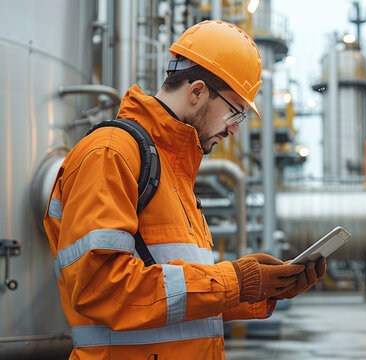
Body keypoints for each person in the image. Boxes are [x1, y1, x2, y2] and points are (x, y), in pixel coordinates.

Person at [43, 20, 325, 360]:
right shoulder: (111, 153)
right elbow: (102, 289)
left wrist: (262, 289)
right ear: (197, 91)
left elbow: (174, 305)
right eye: (235, 112)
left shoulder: (174, 175)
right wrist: (235, 280)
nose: (234, 130)